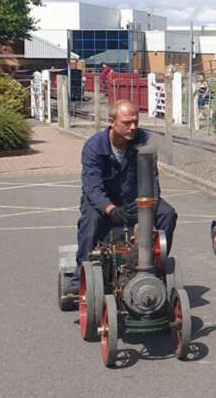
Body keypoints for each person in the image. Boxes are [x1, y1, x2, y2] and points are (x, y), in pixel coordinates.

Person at [74, 99, 178, 271]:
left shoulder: (145, 142)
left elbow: (153, 181)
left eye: (136, 122)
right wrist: (110, 209)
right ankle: (80, 277)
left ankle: (154, 265)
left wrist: (148, 216)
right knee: (90, 221)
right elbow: (92, 188)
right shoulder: (94, 147)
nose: (133, 127)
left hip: (136, 201)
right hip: (104, 203)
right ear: (111, 123)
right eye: (127, 123)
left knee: (167, 214)